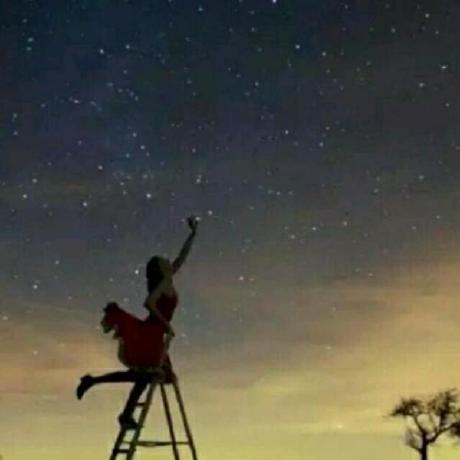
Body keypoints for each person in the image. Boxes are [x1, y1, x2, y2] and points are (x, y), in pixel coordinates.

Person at [76, 216, 199, 429]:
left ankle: (117, 405)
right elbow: (148, 303)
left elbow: (182, 256)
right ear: (161, 269)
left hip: (156, 332)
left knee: (144, 377)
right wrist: (166, 324)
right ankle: (114, 403)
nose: (169, 261)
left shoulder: (169, 278)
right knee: (149, 375)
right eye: (164, 261)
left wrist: (193, 233)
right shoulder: (163, 284)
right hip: (152, 331)